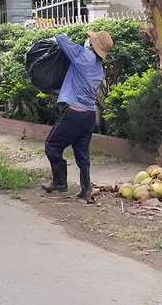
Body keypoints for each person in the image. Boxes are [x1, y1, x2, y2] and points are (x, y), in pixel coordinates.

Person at [41, 30, 113, 202]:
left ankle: (59, 182)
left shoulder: (83, 56)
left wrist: (62, 33)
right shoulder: (98, 69)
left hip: (73, 114)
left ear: (93, 47)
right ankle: (86, 190)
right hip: (88, 116)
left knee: (52, 145)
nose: (88, 41)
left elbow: (62, 40)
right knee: (82, 152)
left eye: (90, 40)